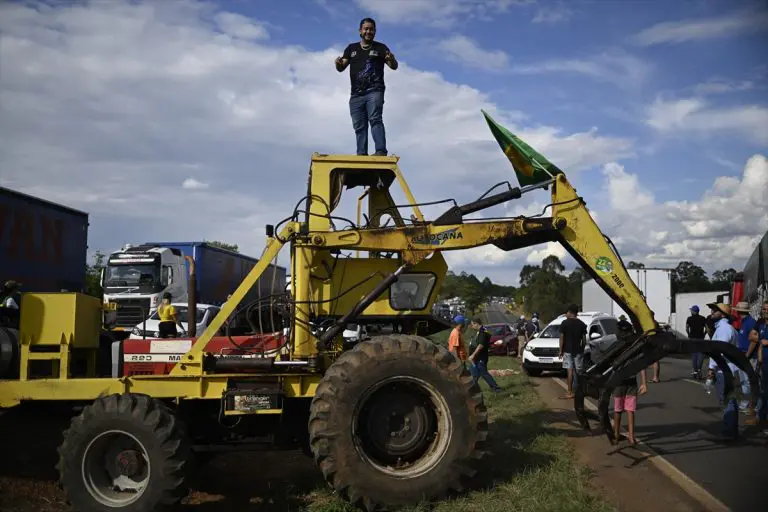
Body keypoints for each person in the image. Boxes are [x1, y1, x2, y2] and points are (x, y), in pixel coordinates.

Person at [335, 17, 398, 156]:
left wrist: (391, 60)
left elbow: (393, 66)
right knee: (359, 126)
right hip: (356, 94)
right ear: (360, 31)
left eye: (371, 29)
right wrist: (338, 63)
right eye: (366, 29)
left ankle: (380, 151)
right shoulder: (352, 48)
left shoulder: (381, 48)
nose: (368, 31)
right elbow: (341, 67)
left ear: (374, 31)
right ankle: (361, 155)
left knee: (375, 119)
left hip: (374, 91)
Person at [467, 317, 502, 393]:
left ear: (476, 324)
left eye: (473, 324)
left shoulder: (482, 332)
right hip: (476, 359)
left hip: (480, 358)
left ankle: (496, 388)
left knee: (484, 373)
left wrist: (473, 355)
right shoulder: (480, 331)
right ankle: (472, 390)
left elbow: (481, 345)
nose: (472, 326)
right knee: (474, 374)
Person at [559, 304, 587, 399]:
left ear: (570, 312)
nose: (566, 314)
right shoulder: (582, 324)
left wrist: (560, 350)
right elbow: (584, 340)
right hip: (578, 350)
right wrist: (582, 349)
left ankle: (569, 392)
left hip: (567, 350)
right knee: (579, 371)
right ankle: (579, 391)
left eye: (566, 312)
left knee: (570, 371)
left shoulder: (564, 323)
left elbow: (562, 337)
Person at [686, 305, 707, 380]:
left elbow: (687, 328)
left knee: (694, 355)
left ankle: (694, 371)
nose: (691, 311)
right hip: (701, 338)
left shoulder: (689, 318)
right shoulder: (703, 318)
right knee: (700, 354)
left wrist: (689, 335)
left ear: (693, 311)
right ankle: (699, 370)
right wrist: (704, 334)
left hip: (692, 338)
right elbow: (707, 328)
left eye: (691, 310)